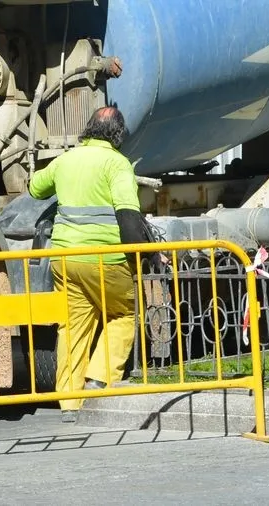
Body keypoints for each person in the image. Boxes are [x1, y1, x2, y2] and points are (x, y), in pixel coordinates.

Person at [28, 106, 162, 423]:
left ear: (88, 129)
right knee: (122, 314)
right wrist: (141, 256)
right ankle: (99, 377)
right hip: (106, 260)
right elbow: (129, 218)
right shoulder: (117, 164)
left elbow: (35, 188)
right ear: (119, 135)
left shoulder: (66, 160)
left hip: (64, 260)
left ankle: (70, 403)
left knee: (73, 328)